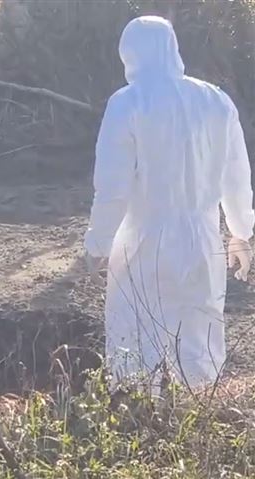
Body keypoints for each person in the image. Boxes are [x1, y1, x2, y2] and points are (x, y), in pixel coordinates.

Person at [85, 16, 254, 390]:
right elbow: (237, 177)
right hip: (204, 242)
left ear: (129, 54)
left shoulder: (127, 103)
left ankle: (144, 426)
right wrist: (241, 233)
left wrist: (97, 245)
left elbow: (113, 188)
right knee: (198, 337)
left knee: (138, 338)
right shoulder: (216, 101)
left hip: (143, 244)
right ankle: (196, 428)